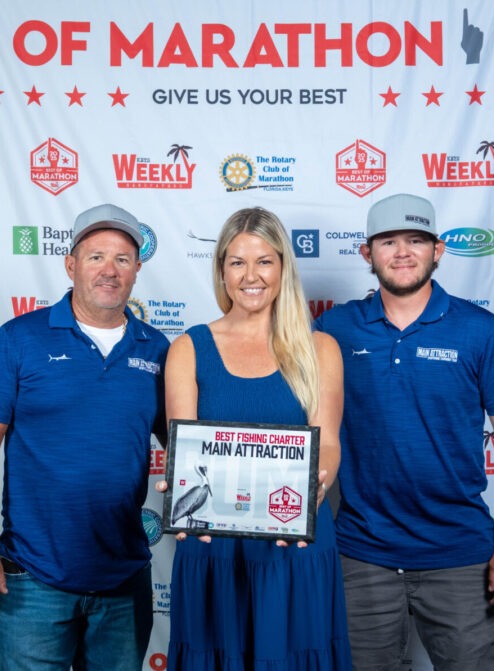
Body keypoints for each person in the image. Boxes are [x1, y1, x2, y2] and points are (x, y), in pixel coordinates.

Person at [314, 193, 494, 671]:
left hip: (460, 556)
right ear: (366, 253)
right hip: (362, 555)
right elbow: (286, 409)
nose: (402, 252)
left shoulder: (479, 330)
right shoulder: (333, 329)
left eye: (415, 240)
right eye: (388, 241)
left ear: (438, 250)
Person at [0, 203, 169, 670]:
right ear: (70, 264)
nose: (108, 270)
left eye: (122, 259)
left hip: (123, 577)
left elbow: (183, 444)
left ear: (137, 269)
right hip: (35, 577)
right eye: (95, 257)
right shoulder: (20, 338)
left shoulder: (156, 349)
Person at [161, 207, 352, 669]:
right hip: (214, 547)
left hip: (294, 541)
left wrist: (312, 491)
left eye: (265, 261)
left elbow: (327, 442)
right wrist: (178, 486)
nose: (251, 275)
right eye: (238, 262)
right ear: (222, 270)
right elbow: (182, 447)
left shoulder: (319, 348)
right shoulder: (188, 348)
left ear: (283, 267)